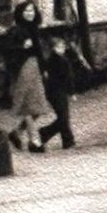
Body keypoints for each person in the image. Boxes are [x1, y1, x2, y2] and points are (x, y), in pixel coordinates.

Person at [35, 16, 91, 151]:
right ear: (54, 48)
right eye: (59, 47)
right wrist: (72, 93)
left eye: (62, 46)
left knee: (63, 116)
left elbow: (45, 72)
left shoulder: (52, 60)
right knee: (63, 117)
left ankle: (65, 139)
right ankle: (53, 135)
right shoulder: (62, 61)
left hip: (52, 91)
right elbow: (68, 78)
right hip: (58, 91)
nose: (62, 48)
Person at [2, 1, 52, 152]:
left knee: (37, 106)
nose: (29, 13)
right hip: (22, 68)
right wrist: (21, 47)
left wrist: (44, 69)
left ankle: (17, 132)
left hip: (35, 67)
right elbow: (5, 49)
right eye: (26, 11)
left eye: (31, 10)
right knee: (29, 105)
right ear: (20, 13)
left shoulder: (34, 29)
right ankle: (34, 141)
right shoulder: (15, 30)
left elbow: (39, 52)